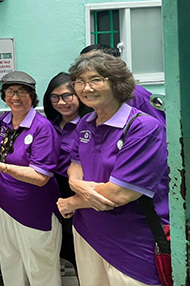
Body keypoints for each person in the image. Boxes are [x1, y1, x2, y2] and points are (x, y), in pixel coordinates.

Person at [57, 53, 169, 285]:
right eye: (79, 81)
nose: (86, 88)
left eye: (95, 79)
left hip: (133, 240)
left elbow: (120, 194)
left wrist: (71, 202)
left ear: (117, 82)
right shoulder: (85, 124)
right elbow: (75, 166)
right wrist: (76, 184)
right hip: (88, 232)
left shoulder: (142, 128)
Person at [0, 71, 62, 286]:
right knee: (11, 262)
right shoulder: (3, 123)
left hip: (35, 209)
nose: (16, 97)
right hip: (3, 204)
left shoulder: (42, 128)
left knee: (40, 267)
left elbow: (41, 177)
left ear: (32, 96)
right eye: (10, 92)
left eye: (23, 92)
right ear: (4, 96)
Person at [43, 72, 91, 274]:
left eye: (66, 96)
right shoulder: (48, 126)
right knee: (65, 245)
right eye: (55, 97)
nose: (61, 102)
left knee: (86, 246)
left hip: (81, 191)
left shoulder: (90, 124)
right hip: (54, 192)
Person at [80, 44, 166, 124]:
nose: (87, 66)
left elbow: (160, 127)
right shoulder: (84, 95)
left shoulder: (136, 94)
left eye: (94, 61)